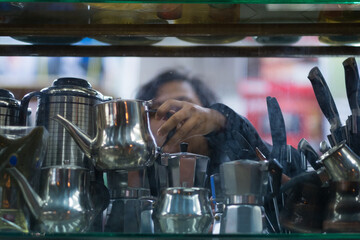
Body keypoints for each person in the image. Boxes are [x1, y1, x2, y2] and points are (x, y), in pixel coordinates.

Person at [135, 69, 272, 176]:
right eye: (158, 110)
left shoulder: (234, 163)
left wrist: (221, 121)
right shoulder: (136, 174)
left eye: (185, 103)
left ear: (206, 113)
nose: (173, 115)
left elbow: (281, 168)